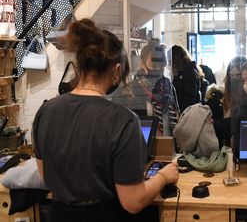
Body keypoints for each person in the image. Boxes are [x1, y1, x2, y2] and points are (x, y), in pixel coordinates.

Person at [32, 19, 179, 222]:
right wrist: (164, 176)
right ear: (117, 70)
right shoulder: (124, 121)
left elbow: (47, 179)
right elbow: (133, 201)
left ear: (78, 66)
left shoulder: (45, 112)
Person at [169, 45, 202, 113]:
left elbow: (188, 99)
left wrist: (179, 114)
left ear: (175, 60)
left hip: (187, 114)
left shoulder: (188, 73)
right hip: (187, 112)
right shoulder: (185, 72)